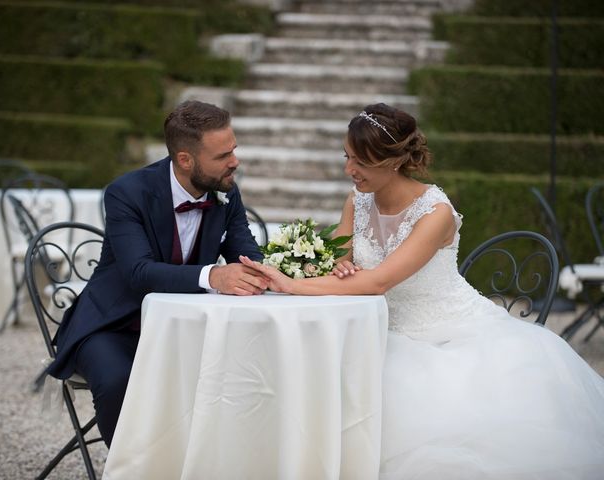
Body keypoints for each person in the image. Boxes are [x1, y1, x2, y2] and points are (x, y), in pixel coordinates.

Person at [240, 103, 604, 479]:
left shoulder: (435, 213)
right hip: (377, 327)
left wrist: (291, 285)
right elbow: (341, 260)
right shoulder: (357, 200)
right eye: (347, 157)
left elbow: (379, 281)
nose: (350, 171)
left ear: (393, 162)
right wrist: (336, 265)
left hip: (451, 336)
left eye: (361, 163)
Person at [47, 100, 267, 446]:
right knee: (118, 380)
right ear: (185, 159)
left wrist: (287, 271)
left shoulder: (226, 192)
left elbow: (249, 256)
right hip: (115, 325)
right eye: (223, 155)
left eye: (233, 150)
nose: (234, 162)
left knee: (245, 378)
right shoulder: (127, 193)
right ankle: (131, 467)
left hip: (187, 330)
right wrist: (213, 276)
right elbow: (138, 272)